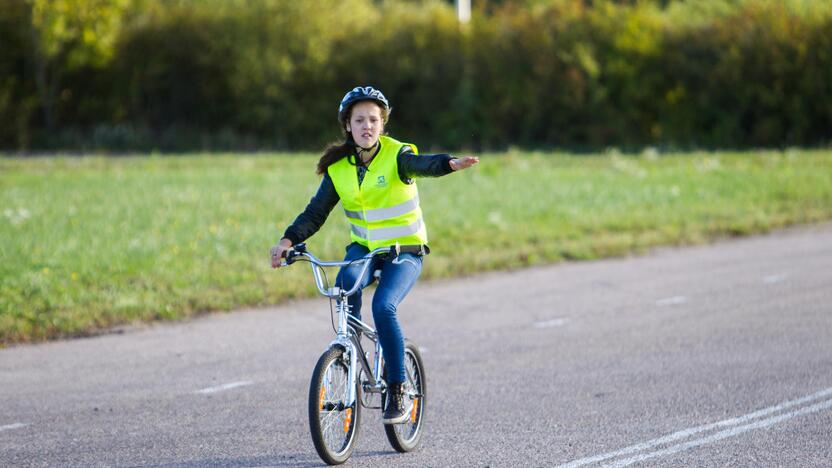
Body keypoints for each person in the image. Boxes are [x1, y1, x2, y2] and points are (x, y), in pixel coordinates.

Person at [270, 86, 478, 424]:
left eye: (373, 120)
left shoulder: (397, 156)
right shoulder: (338, 169)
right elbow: (315, 213)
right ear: (347, 126)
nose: (367, 126)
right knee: (344, 285)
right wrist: (287, 240)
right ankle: (349, 354)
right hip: (364, 250)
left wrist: (448, 164)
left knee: (383, 307)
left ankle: (396, 388)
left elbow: (422, 164)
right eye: (359, 120)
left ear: (382, 125)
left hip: (404, 251)